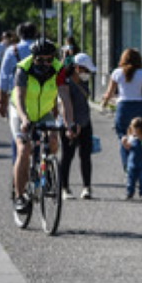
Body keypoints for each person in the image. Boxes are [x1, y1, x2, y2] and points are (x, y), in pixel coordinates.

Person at [9, 39, 78, 212]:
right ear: (33, 58)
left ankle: (46, 170)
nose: (45, 63)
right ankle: (19, 196)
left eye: (49, 59)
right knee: (24, 150)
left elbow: (65, 98)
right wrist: (24, 119)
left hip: (43, 111)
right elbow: (19, 97)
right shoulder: (23, 68)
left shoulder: (58, 69)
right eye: (40, 60)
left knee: (54, 140)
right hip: (20, 110)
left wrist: (69, 124)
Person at [100, 48, 142, 169]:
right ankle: (139, 163)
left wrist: (104, 102)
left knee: (124, 138)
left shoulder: (117, 73)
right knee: (141, 135)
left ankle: (127, 167)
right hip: (139, 107)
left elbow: (109, 93)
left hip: (123, 108)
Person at [60, 52, 98, 200]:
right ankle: (65, 188)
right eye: (85, 70)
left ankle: (87, 187)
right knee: (67, 156)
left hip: (85, 123)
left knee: (85, 156)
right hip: (70, 124)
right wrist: (70, 124)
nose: (87, 74)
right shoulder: (66, 83)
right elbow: (64, 105)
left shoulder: (84, 83)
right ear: (77, 68)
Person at [121, 116, 142, 200]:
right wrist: (124, 143)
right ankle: (130, 192)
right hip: (132, 161)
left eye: (136, 130)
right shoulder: (132, 138)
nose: (134, 132)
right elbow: (128, 147)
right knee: (130, 178)